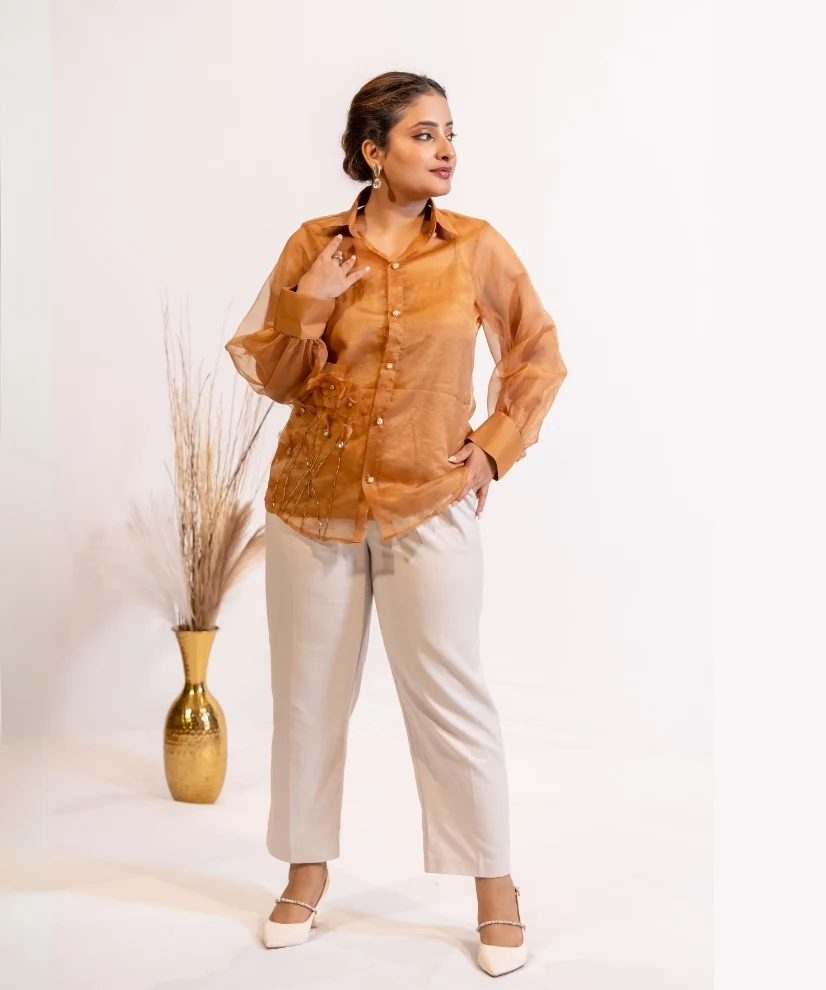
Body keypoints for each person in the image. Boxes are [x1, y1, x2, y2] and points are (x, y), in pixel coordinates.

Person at [225, 70, 567, 977]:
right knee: (308, 697)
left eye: (450, 132)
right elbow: (275, 376)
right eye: (423, 134)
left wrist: (492, 449)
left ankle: (497, 888)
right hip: (314, 503)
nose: (445, 148)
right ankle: (305, 874)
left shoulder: (477, 248)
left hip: (430, 498)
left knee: (452, 695)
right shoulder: (314, 244)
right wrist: (310, 302)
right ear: (374, 151)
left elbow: (537, 355)